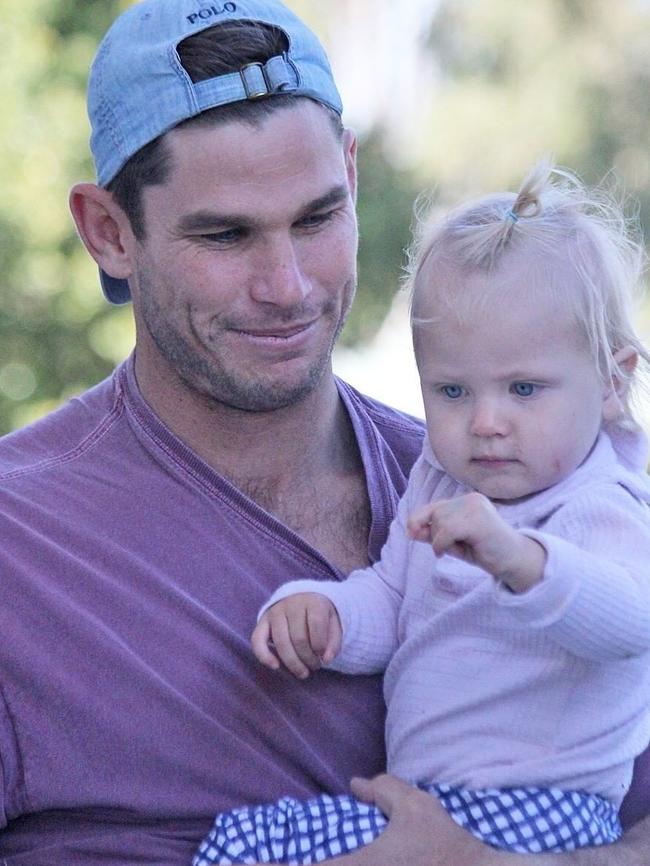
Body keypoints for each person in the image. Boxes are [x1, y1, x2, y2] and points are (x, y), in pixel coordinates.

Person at [0, 0, 648, 863]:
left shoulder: (516, 479)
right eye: (226, 234)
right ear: (109, 233)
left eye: (315, 218)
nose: (290, 286)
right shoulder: (20, 545)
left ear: (350, 173)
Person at [195, 163, 650, 864]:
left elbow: (631, 622)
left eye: (524, 388)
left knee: (253, 847)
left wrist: (520, 560)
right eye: (453, 391)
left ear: (613, 382)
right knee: (245, 838)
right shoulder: (438, 481)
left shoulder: (601, 503)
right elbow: (396, 596)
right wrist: (329, 615)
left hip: (547, 808)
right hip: (437, 800)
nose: (487, 422)